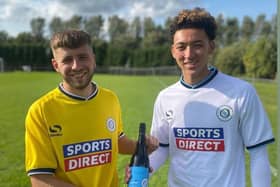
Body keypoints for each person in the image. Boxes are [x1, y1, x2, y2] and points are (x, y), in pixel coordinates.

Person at [125, 7, 275, 187]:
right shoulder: (165, 97)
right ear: (173, 51)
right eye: (181, 47)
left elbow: (258, 154)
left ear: (211, 46)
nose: (188, 54)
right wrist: (146, 167)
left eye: (197, 45)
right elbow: (163, 148)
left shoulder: (242, 93)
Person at [25, 29, 158, 187]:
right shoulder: (41, 111)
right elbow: (40, 180)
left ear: (93, 59)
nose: (76, 66)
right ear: (56, 65)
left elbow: (117, 142)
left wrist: (142, 146)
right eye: (67, 60)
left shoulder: (110, 99)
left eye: (82, 57)